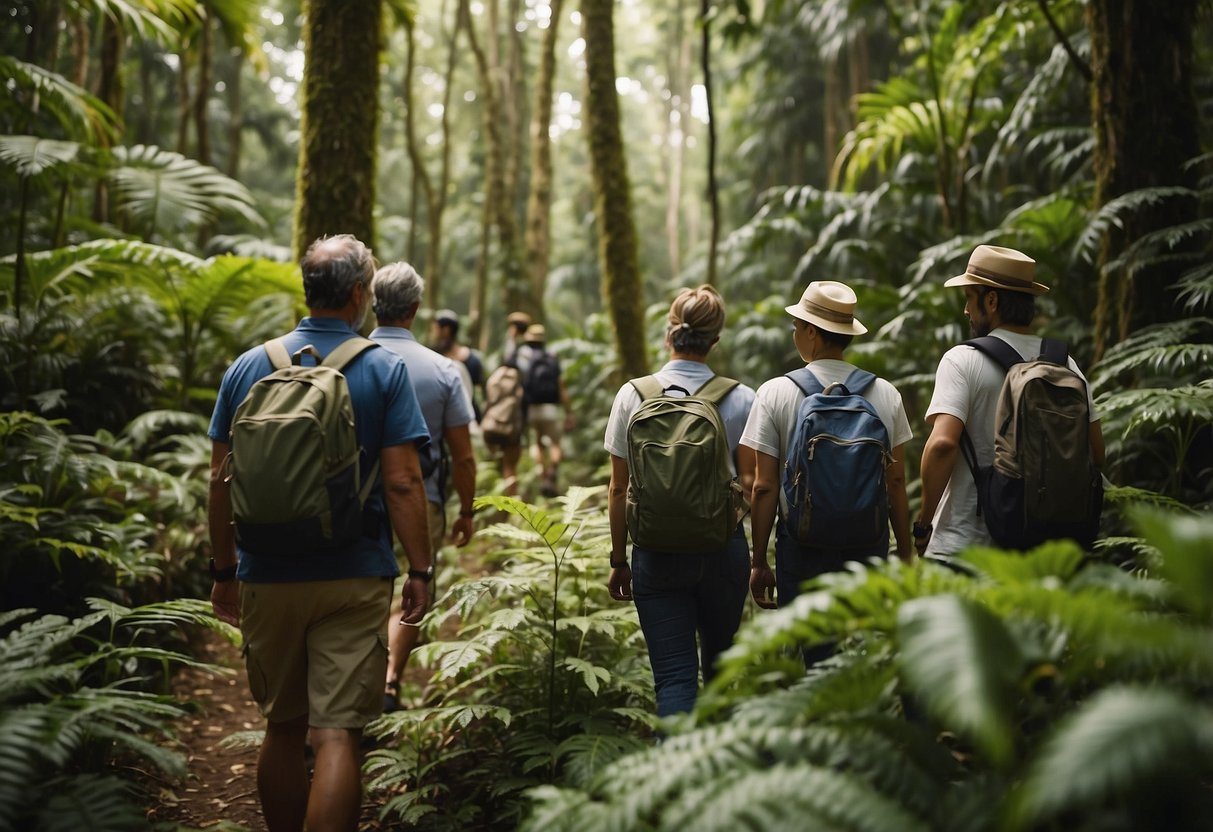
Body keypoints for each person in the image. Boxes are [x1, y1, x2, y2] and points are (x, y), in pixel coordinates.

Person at [207, 234, 434, 832]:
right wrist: (421, 569)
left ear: (307, 289)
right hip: (353, 574)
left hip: (267, 571)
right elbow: (404, 482)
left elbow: (218, 481)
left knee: (282, 728)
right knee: (336, 734)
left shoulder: (247, 367)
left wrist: (224, 571)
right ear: (361, 294)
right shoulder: (382, 367)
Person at [604, 285, 756, 717]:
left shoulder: (632, 395)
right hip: (722, 550)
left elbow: (618, 488)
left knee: (673, 678)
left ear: (669, 333)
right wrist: (759, 555)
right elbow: (751, 482)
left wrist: (619, 559)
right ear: (715, 340)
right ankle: (721, 773)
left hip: (656, 552)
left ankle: (672, 778)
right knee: (721, 672)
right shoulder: (741, 398)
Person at [741, 281, 912, 657]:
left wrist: (758, 562)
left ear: (813, 334)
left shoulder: (775, 392)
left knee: (814, 662)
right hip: (868, 546)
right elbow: (896, 481)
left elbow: (765, 487)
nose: (794, 333)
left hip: (802, 549)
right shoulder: (886, 393)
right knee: (859, 658)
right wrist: (904, 552)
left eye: (798, 326)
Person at [914, 244, 1105, 559]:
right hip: (1040, 553)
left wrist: (923, 524)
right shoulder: (1066, 366)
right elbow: (1096, 453)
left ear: (991, 301)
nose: (965, 310)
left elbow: (942, 446)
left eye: (969, 298)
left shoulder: (962, 359)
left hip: (965, 547)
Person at [369, 262, 478, 711]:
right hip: (424, 499)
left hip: (356, 503)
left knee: (367, 590)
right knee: (415, 586)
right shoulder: (443, 371)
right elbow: (463, 454)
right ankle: (392, 679)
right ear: (415, 309)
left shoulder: (346, 361)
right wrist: (467, 511)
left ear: (372, 304)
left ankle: (359, 679)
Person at [514, 324, 574, 497]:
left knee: (538, 443)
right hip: (551, 408)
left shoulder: (525, 359)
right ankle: (551, 472)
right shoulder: (552, 358)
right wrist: (569, 411)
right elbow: (561, 387)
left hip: (532, 408)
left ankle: (543, 476)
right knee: (555, 443)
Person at [430, 309, 484, 417]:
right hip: (468, 414)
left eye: (435, 328)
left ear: (446, 330)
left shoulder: (432, 356)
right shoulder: (472, 357)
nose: (433, 333)